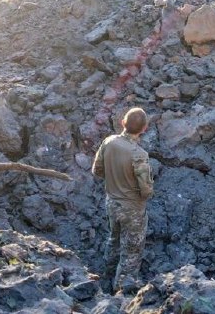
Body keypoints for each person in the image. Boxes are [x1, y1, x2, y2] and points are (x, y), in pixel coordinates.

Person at [92, 107, 153, 293]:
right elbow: (146, 190)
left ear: (122, 123)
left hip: (111, 202)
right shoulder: (139, 154)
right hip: (132, 209)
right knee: (131, 251)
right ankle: (122, 293)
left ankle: (106, 276)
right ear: (144, 128)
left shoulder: (109, 142)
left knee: (114, 239)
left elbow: (97, 171)